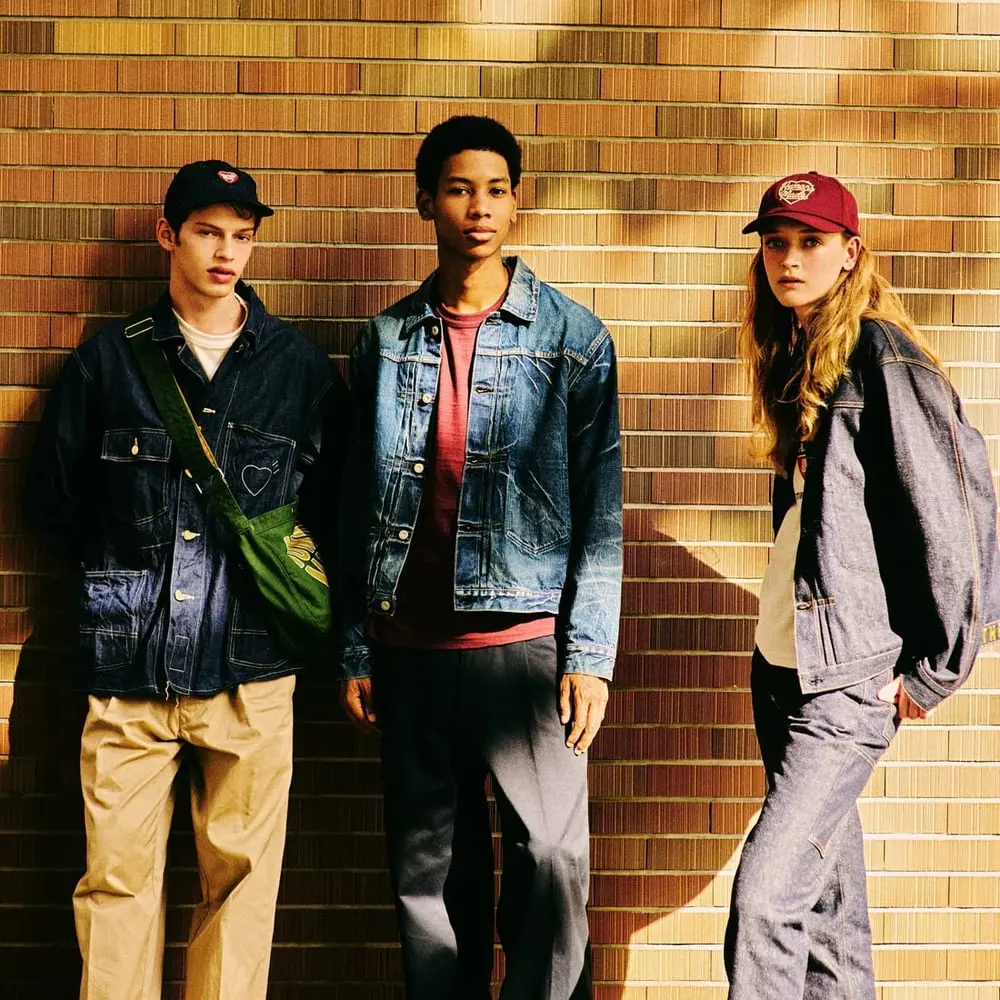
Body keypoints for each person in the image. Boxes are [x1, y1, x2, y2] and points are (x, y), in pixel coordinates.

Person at [25, 160, 343, 1000]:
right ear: (169, 235)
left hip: (253, 676)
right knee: (115, 889)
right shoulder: (106, 367)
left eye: (242, 235)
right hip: (127, 676)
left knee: (241, 895)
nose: (226, 252)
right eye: (208, 231)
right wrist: (120, 591)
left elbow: (335, 514)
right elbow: (54, 506)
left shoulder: (299, 372)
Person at [337, 116, 622, 1000]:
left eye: (497, 189)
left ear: (516, 200)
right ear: (426, 200)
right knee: (430, 883)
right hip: (411, 650)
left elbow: (600, 513)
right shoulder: (386, 342)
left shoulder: (574, 338)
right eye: (459, 188)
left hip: (526, 649)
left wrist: (589, 657)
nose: (479, 207)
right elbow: (354, 505)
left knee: (550, 866)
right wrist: (355, 645)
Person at [725, 171, 1000, 999]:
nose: (789, 258)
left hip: (843, 687)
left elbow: (952, 513)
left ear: (850, 253)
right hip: (785, 673)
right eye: (776, 242)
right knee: (829, 918)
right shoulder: (808, 357)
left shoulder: (884, 358)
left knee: (766, 904)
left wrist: (936, 669)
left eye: (810, 241)